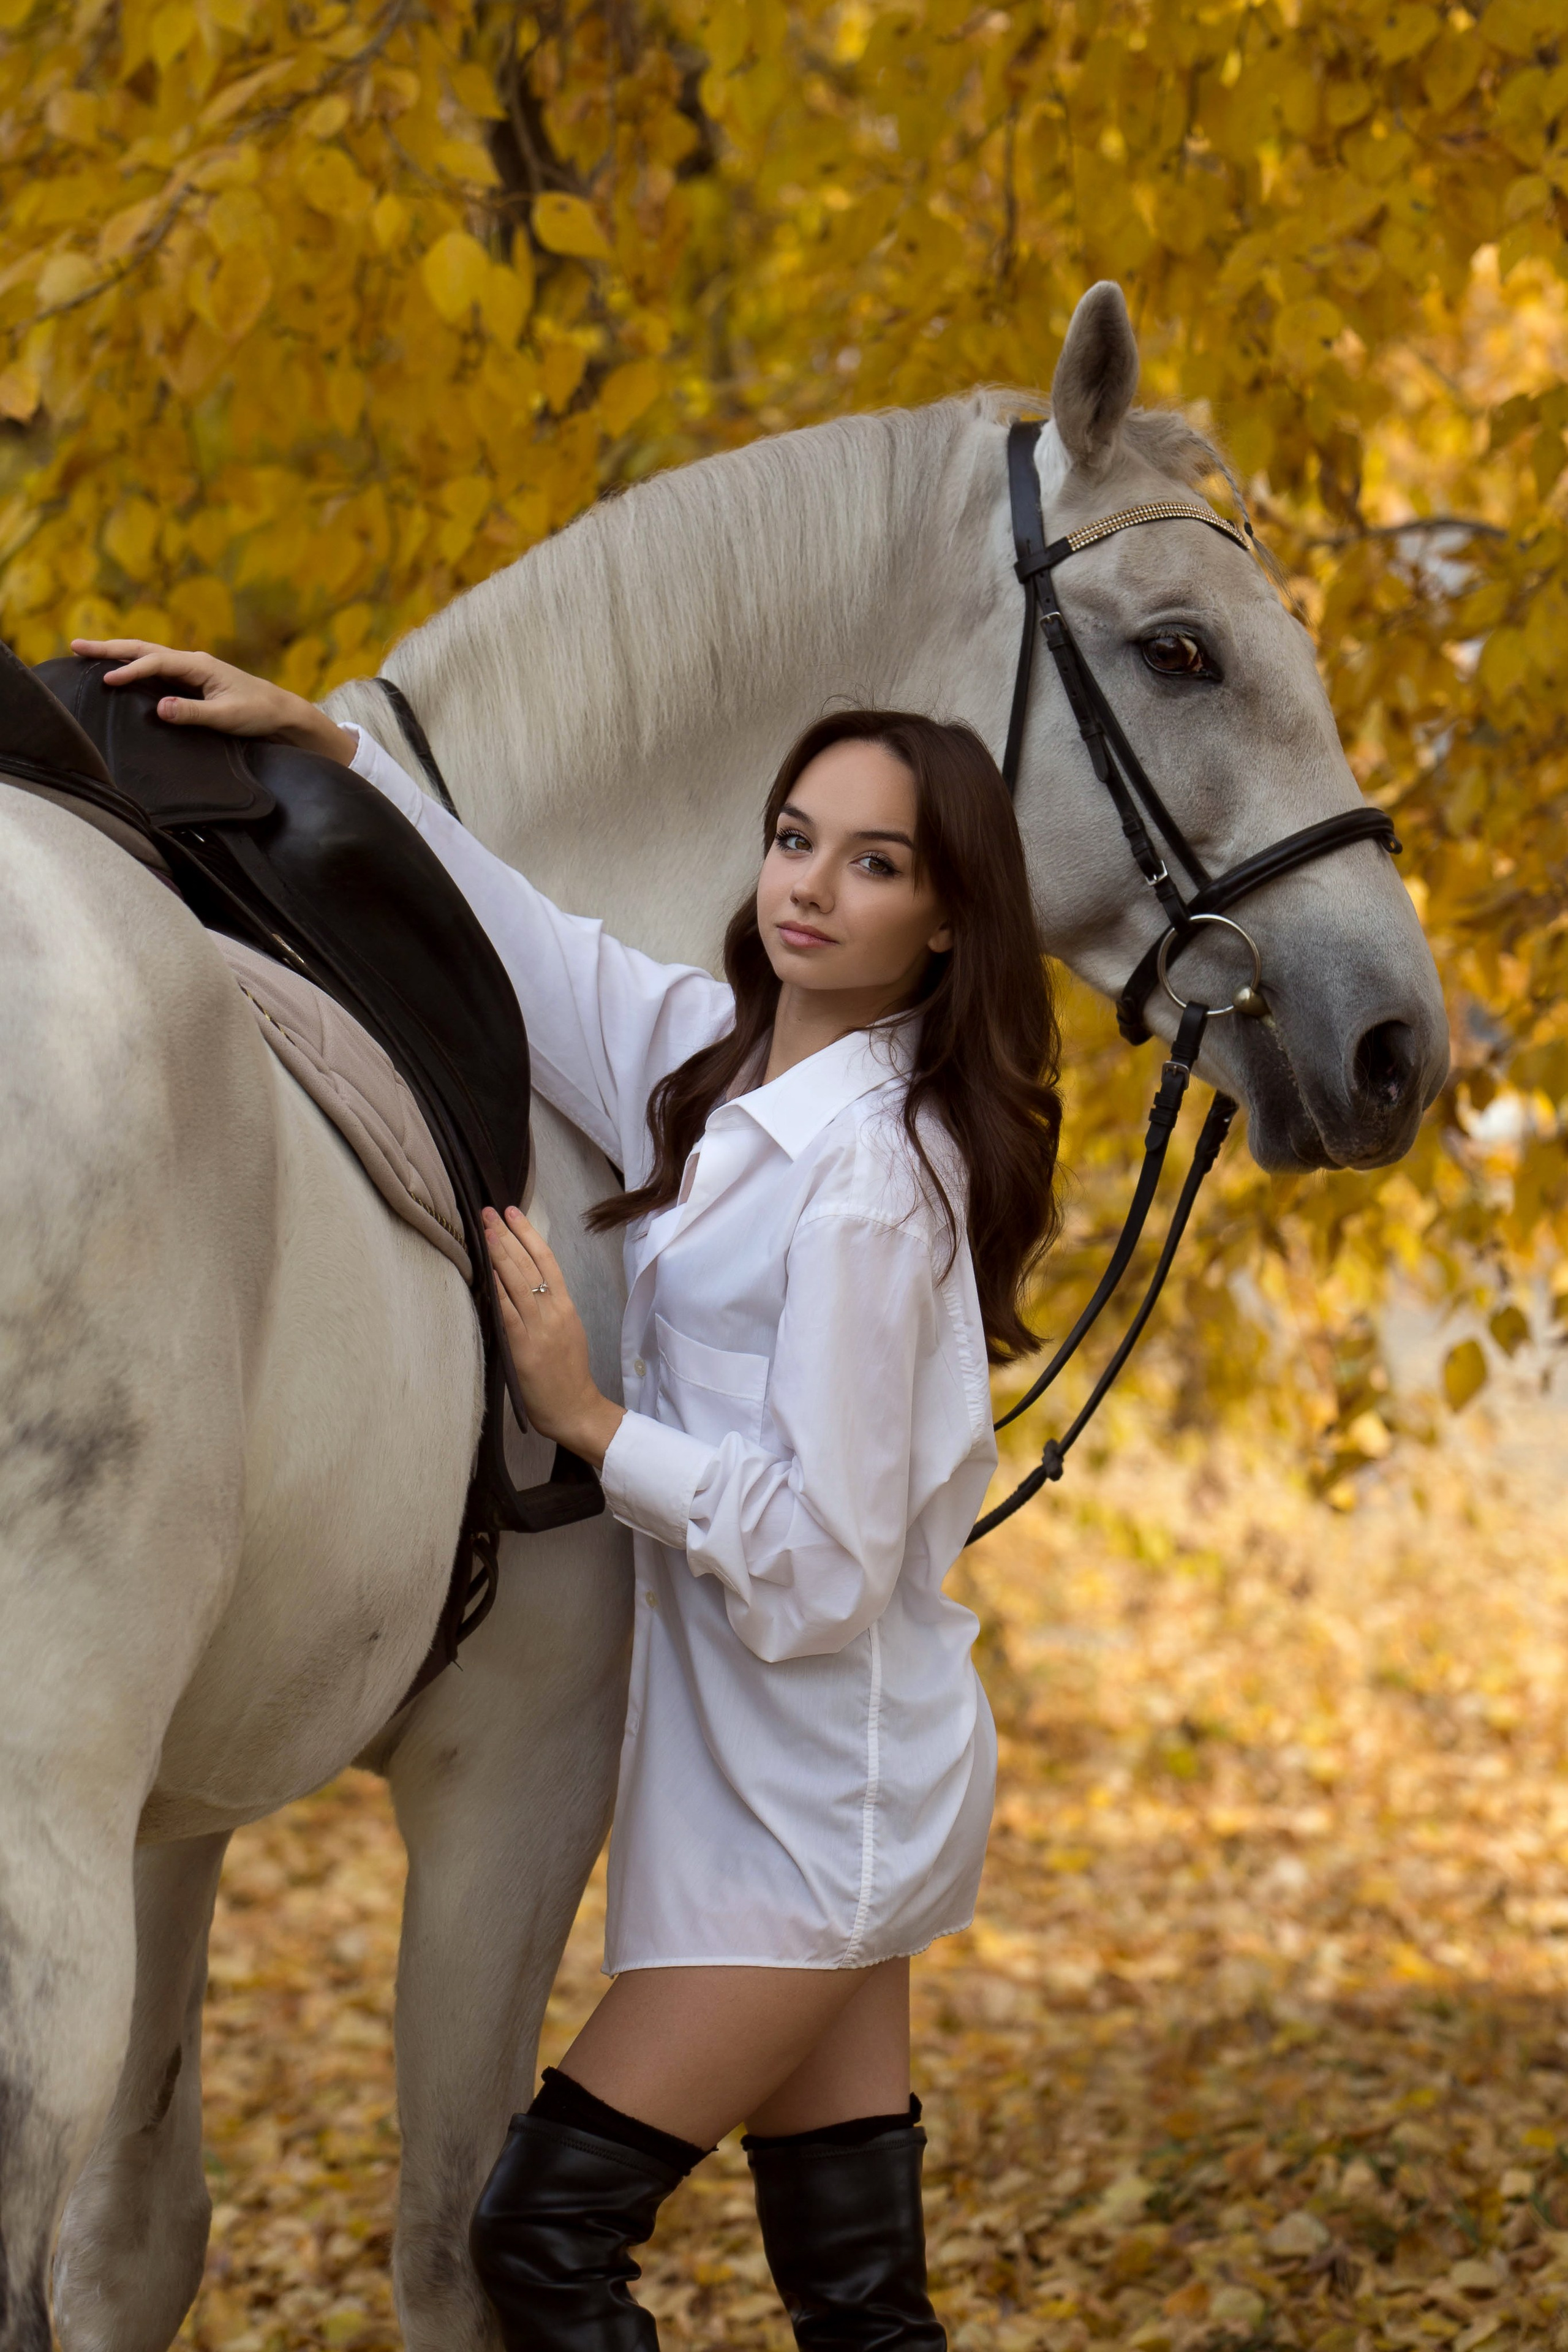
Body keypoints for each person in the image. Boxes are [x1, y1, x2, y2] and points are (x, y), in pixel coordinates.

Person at [71, 636, 1066, 2351]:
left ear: (952, 917)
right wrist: (341, 758)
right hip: (768, 1787)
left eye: (876, 862)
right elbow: (541, 954)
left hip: (821, 1808)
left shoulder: (870, 1188)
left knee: (539, 2241)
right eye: (793, 837)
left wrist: (590, 1422)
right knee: (860, 2302)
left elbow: (823, 1564)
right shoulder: (723, 1070)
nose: (811, 887)